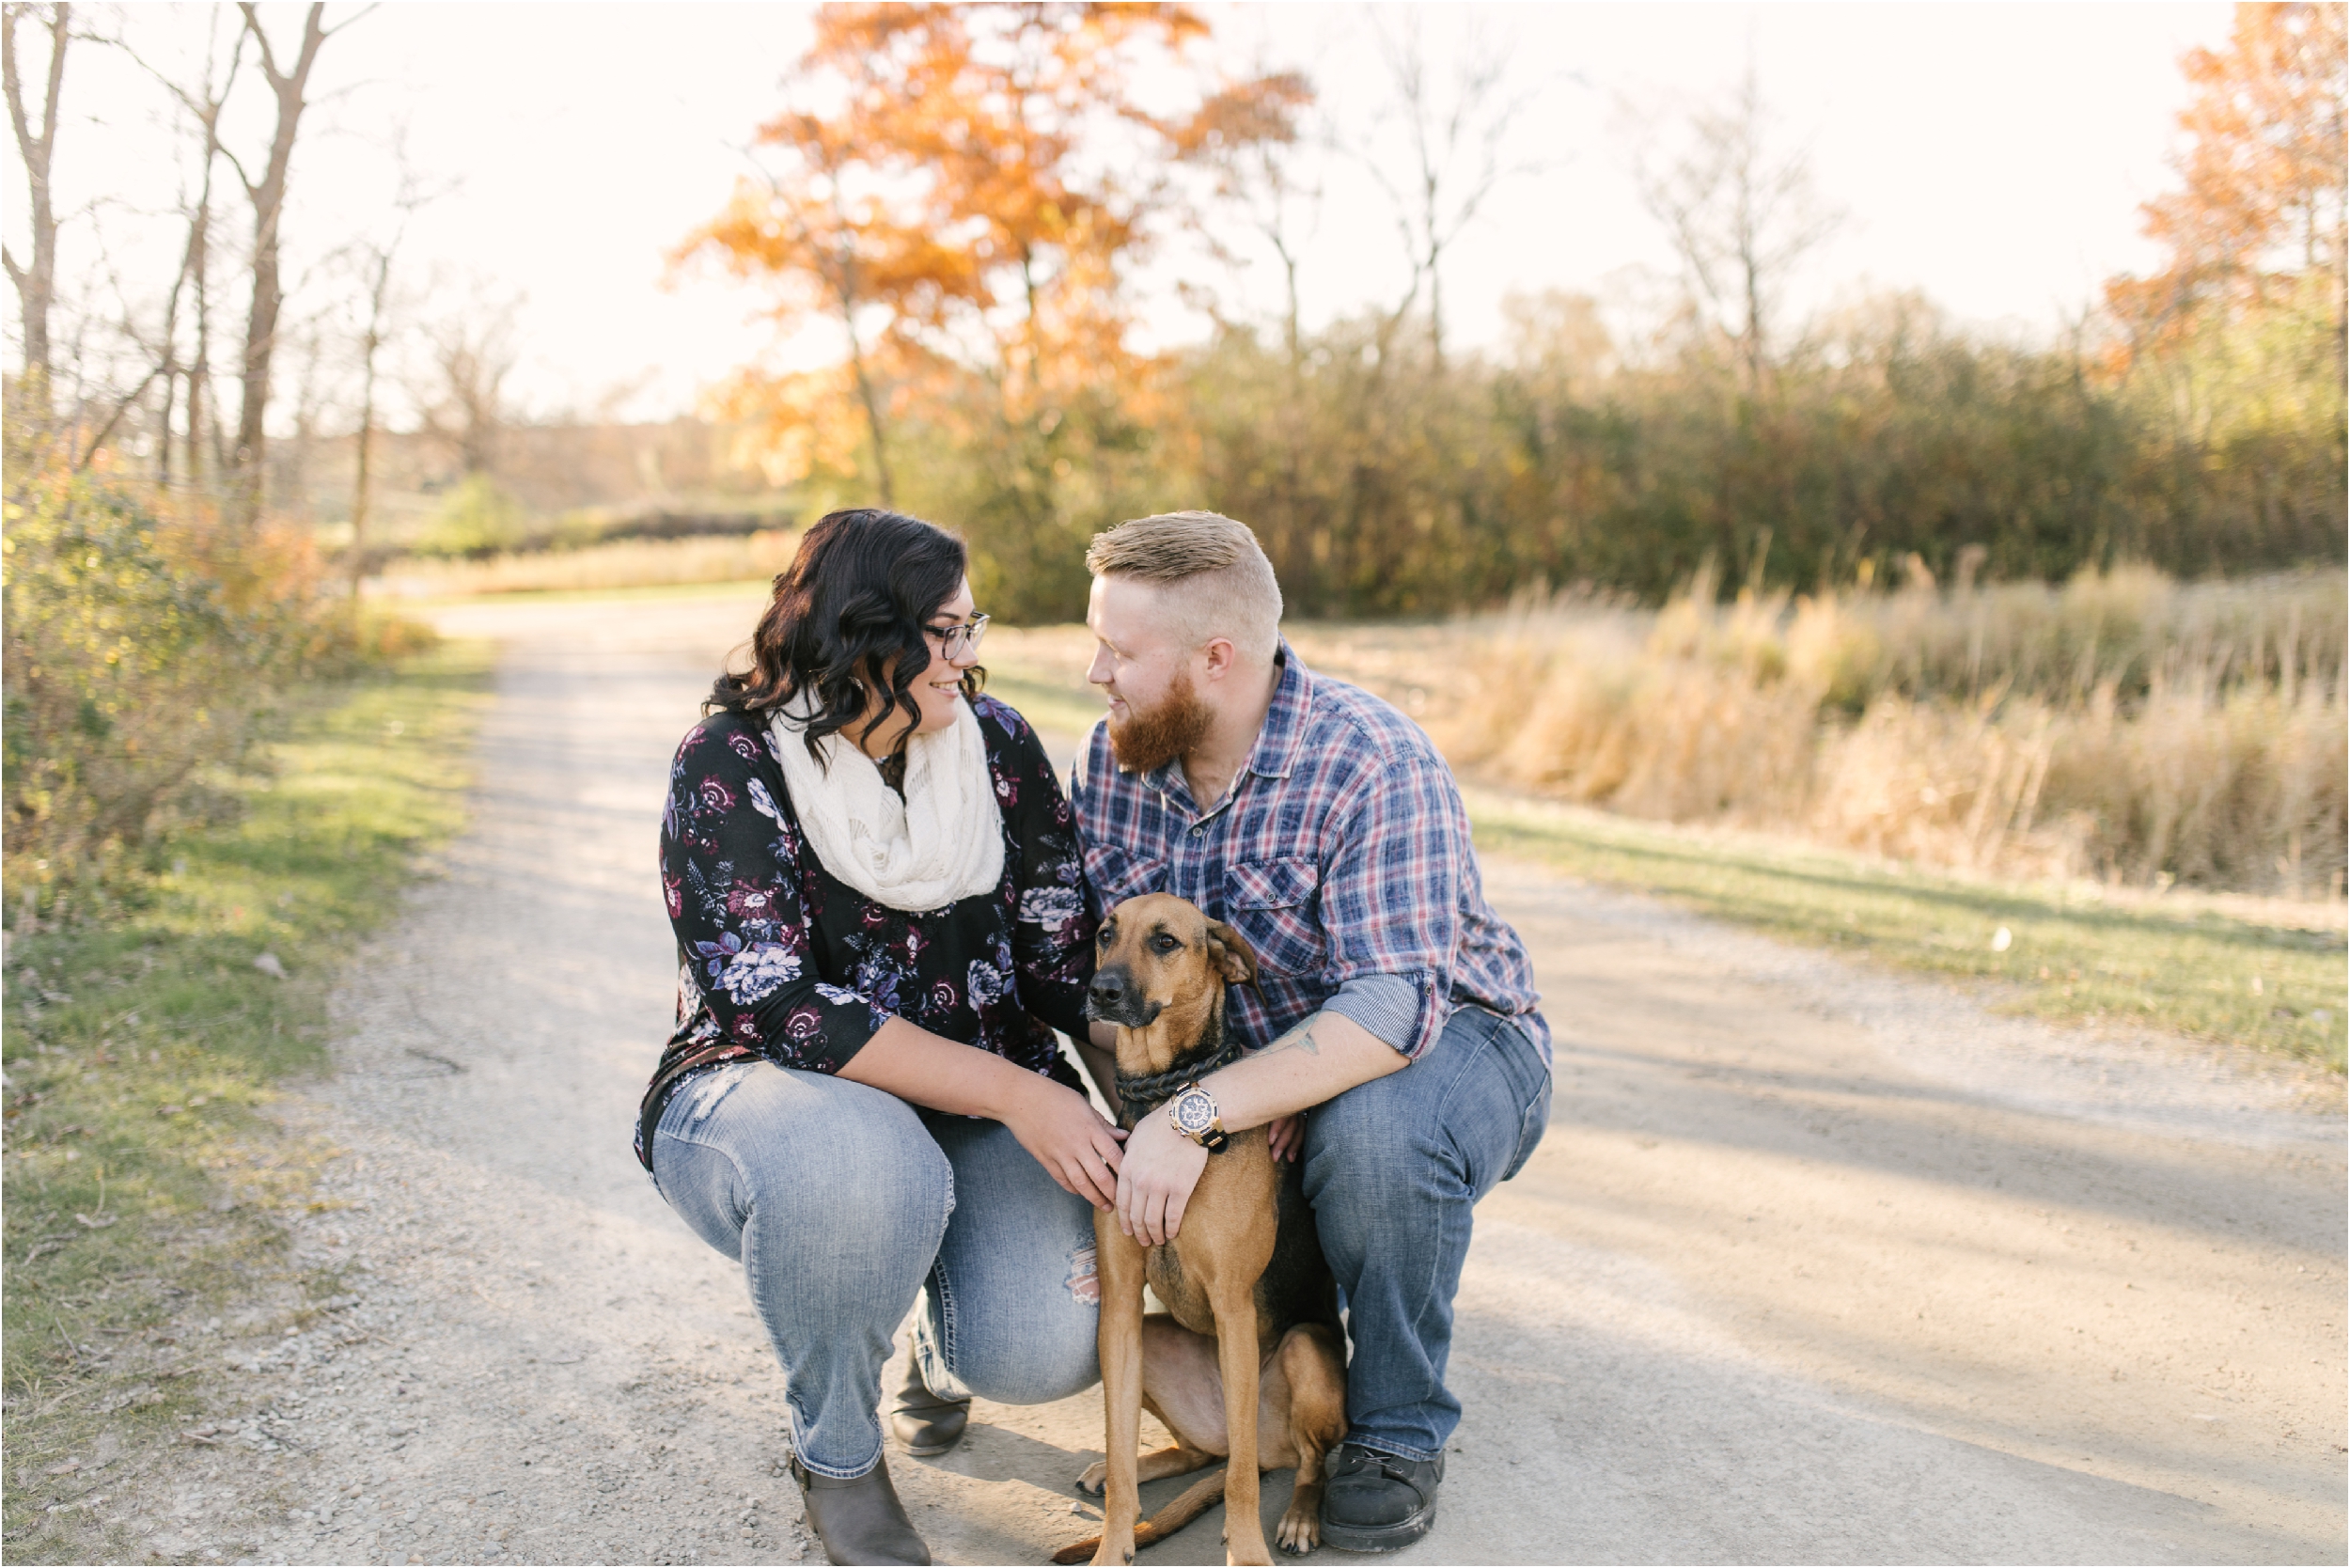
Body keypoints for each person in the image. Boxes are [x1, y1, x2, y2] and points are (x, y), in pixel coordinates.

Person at [637, 509, 1125, 1567]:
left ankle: (935, 1347)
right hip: (776, 1106)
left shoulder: (995, 747)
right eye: (945, 632)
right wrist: (1020, 1094)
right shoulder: (729, 761)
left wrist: (1183, 1112)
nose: (969, 655)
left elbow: (1060, 958)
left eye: (970, 627)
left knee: (1047, 1344)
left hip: (978, 1096)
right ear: (869, 636)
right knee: (865, 1169)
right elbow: (778, 1003)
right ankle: (840, 1459)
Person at [1067, 510, 1554, 1554]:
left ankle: (1392, 1430)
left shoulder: (1371, 758)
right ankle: (1253, 1406)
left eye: (1118, 649)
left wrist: (1208, 1110)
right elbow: (1120, 994)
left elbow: (1391, 1012)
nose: (1092, 670)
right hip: (1260, 1066)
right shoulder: (1111, 766)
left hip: (1449, 1048)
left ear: (1215, 658)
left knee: (1372, 1138)